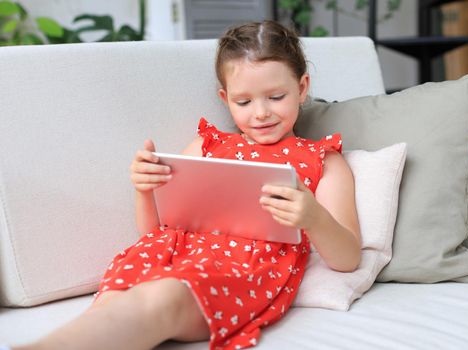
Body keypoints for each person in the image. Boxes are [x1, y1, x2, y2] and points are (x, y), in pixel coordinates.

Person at [12, 20, 361, 350]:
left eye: (275, 97)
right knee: (112, 305)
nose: (260, 113)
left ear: (301, 88)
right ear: (225, 99)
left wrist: (314, 218)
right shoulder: (206, 146)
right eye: (244, 102)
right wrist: (144, 189)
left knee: (163, 299)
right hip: (164, 252)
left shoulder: (321, 159)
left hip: (242, 270)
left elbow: (348, 259)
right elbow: (154, 230)